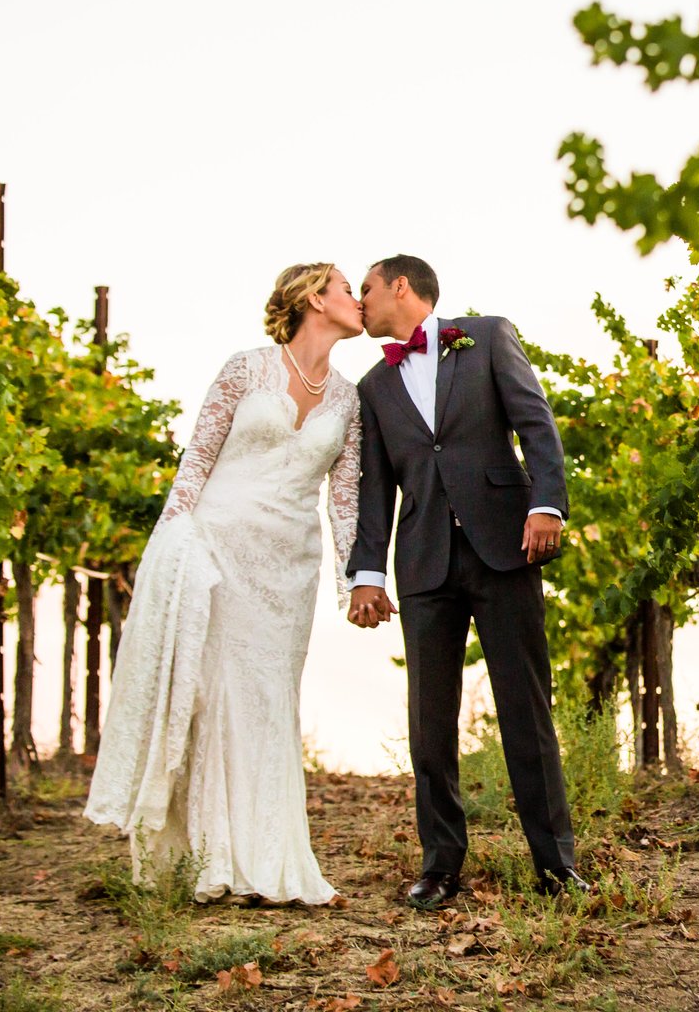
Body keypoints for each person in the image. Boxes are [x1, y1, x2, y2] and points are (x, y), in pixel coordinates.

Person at [84, 263, 363, 905]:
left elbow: (344, 498)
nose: (357, 300)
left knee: (268, 699)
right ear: (314, 298)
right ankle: (203, 859)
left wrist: (353, 581)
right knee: (211, 696)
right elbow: (197, 459)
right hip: (217, 548)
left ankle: (267, 858)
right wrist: (171, 539)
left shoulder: (350, 399)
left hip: (286, 569)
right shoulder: (245, 368)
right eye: (347, 289)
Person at [346, 254, 586, 908]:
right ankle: (441, 866)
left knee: (525, 709)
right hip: (423, 563)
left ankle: (555, 865)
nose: (360, 301)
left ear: (401, 286)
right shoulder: (373, 386)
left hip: (505, 546)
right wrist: (366, 574)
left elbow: (536, 424)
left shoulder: (485, 336)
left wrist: (547, 504)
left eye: (366, 288)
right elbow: (375, 492)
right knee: (429, 721)